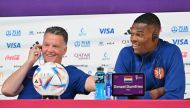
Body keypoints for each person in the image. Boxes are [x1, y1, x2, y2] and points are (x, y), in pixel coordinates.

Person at [1, 26, 95, 99]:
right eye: (46, 45)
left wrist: (107, 78)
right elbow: (7, 90)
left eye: (55, 46)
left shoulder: (70, 73)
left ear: (64, 50)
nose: (49, 50)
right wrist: (30, 61)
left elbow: (97, 83)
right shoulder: (30, 72)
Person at [114, 13, 185, 99]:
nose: (133, 39)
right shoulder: (125, 54)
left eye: (139, 35)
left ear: (155, 37)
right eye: (132, 34)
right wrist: (152, 94)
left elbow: (174, 97)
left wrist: (135, 96)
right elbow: (121, 98)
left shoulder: (171, 52)